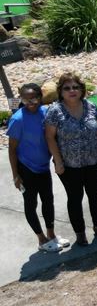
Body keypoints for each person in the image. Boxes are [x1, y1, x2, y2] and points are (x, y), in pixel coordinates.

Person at [45, 72, 97, 246]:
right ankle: (80, 233)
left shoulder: (91, 107)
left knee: (94, 195)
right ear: (61, 91)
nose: (72, 91)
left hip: (92, 162)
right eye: (67, 88)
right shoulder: (55, 111)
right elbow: (50, 137)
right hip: (68, 165)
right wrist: (58, 161)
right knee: (74, 198)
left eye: (75, 87)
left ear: (81, 89)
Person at [8, 83, 65, 252]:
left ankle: (51, 234)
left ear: (40, 97)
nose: (30, 102)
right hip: (26, 169)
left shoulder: (46, 113)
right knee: (30, 203)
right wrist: (15, 175)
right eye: (25, 99)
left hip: (43, 167)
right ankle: (41, 239)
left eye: (33, 98)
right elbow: (11, 150)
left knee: (48, 200)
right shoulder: (17, 119)